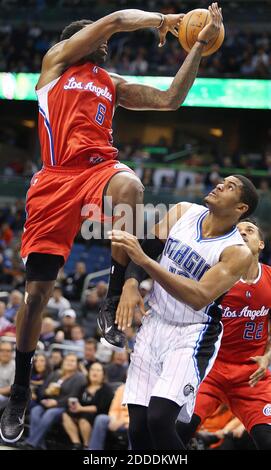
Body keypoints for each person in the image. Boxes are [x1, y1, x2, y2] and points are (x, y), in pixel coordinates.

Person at [0, 3, 223, 444]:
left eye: (103, 40)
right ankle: (20, 390)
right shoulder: (57, 64)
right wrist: (166, 20)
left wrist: (196, 45)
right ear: (78, 41)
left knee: (131, 186)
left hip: (99, 169)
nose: (106, 43)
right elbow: (117, 21)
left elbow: (170, 100)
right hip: (54, 179)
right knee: (37, 294)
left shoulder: (110, 84)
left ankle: (116, 291)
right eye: (97, 39)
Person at [109, 175, 258, 450]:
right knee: (138, 426)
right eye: (221, 182)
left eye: (230, 187)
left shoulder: (237, 252)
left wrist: (143, 261)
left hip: (192, 333)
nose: (218, 186)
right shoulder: (182, 211)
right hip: (155, 323)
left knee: (160, 418)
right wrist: (131, 281)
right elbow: (148, 249)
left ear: (241, 208)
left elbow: (198, 296)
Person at [176, 220, 271, 450]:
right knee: (177, 432)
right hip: (209, 368)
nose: (243, 234)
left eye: (249, 230)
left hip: (251, 374)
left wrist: (268, 356)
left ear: (260, 244)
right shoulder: (215, 275)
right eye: (237, 232)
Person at [62, 362, 113, 449]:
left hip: (96, 415)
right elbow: (76, 399)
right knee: (65, 414)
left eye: (98, 370)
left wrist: (81, 408)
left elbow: (99, 407)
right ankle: (76, 443)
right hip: (80, 411)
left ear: (103, 374)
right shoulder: (83, 387)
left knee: (84, 419)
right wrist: (73, 406)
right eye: (92, 370)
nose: (94, 372)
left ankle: (87, 445)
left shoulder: (106, 389)